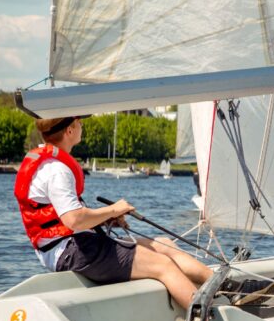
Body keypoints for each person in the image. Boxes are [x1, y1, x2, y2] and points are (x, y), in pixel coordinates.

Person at [14, 116, 215, 309]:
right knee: (164, 266)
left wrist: (106, 219)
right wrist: (113, 209)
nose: (82, 125)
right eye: (79, 122)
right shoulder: (57, 170)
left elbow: (66, 218)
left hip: (74, 246)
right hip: (72, 252)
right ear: (69, 130)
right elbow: (74, 220)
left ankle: (221, 287)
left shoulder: (48, 164)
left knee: (165, 245)